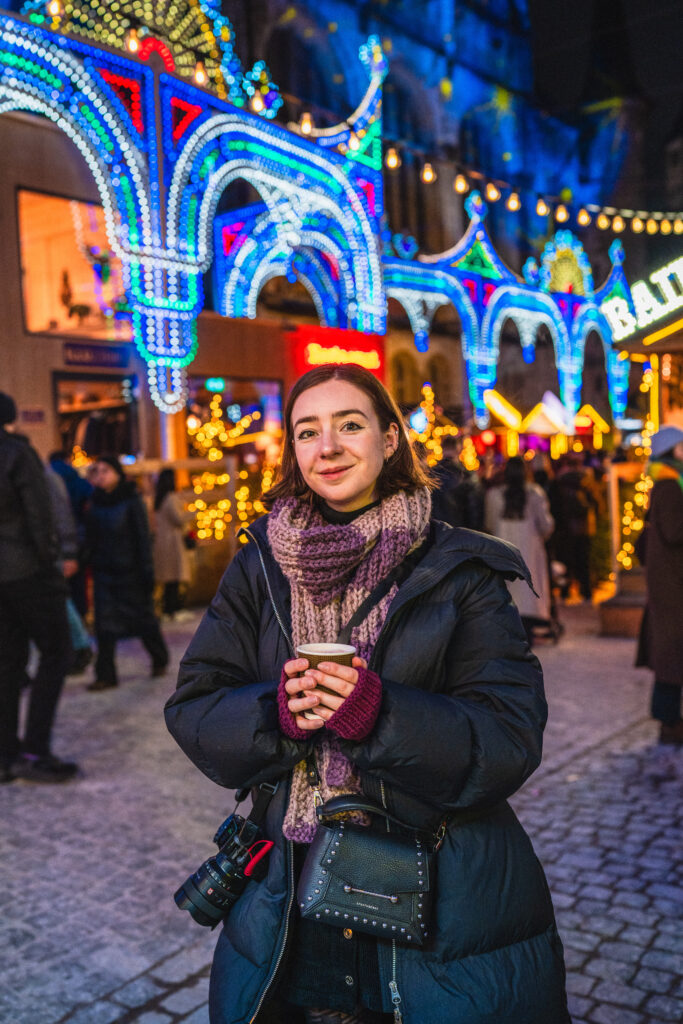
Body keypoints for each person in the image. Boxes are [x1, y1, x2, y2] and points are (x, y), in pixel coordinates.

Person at [165, 365, 569, 1024]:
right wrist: (279, 714)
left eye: (348, 425)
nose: (326, 446)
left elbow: (509, 738)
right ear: (293, 452)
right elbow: (196, 704)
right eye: (306, 431)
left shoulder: (459, 570)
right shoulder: (258, 562)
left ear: (389, 439)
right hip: (287, 898)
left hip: (436, 887)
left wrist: (377, 714)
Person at [0, 392, 78, 783]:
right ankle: (35, 749)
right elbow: (38, 513)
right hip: (27, 571)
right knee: (57, 651)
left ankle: (6, 755)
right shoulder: (16, 453)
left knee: (7, 663)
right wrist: (52, 562)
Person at [85, 456, 168, 691]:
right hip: (104, 574)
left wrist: (147, 572)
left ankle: (159, 659)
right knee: (104, 627)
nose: (101, 475)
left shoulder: (131, 500)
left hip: (130, 572)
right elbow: (89, 537)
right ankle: (106, 675)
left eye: (106, 470)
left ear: (118, 474)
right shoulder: (95, 501)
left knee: (143, 620)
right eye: (97, 471)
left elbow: (142, 538)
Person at [635, 425, 683, 745]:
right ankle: (668, 722)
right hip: (672, 587)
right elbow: (675, 531)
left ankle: (669, 719)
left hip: (670, 583)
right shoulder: (668, 485)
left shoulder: (666, 483)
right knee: (671, 655)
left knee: (672, 655)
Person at [484, 456, 555, 646]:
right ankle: (528, 636)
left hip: (503, 549)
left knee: (509, 593)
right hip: (530, 550)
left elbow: (489, 524)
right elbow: (546, 525)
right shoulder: (535, 494)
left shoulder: (494, 495)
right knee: (528, 593)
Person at [153, 468, 193, 619]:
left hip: (163, 542)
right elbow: (179, 519)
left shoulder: (159, 498)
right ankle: (173, 610)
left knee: (169, 579)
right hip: (173, 543)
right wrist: (193, 512)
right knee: (174, 578)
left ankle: (168, 609)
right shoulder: (170, 498)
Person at [430, 434, 484, 530]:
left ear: (442, 449)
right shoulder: (467, 476)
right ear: (459, 450)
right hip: (461, 532)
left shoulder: (429, 475)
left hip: (436, 533)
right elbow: (474, 510)